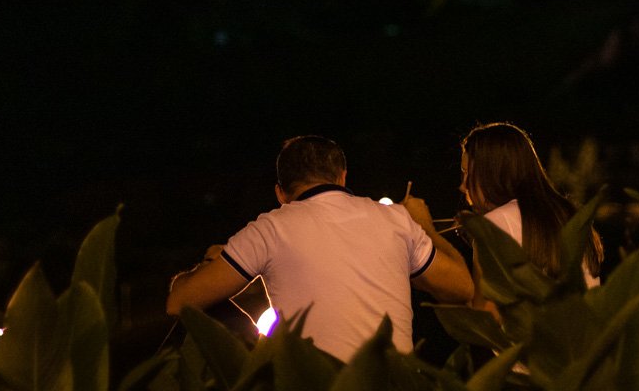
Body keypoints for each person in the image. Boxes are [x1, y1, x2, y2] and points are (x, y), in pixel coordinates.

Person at [166, 135, 473, 363]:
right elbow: (461, 289)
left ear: (280, 193)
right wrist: (427, 228)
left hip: (315, 381)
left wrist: (207, 264)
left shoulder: (269, 228)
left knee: (214, 308)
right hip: (394, 380)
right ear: (342, 177)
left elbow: (179, 303)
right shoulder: (396, 221)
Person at [458, 122, 602, 314]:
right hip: (586, 340)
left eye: (467, 173)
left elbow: (487, 319)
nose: (462, 186)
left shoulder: (492, 226)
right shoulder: (569, 214)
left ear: (491, 171)